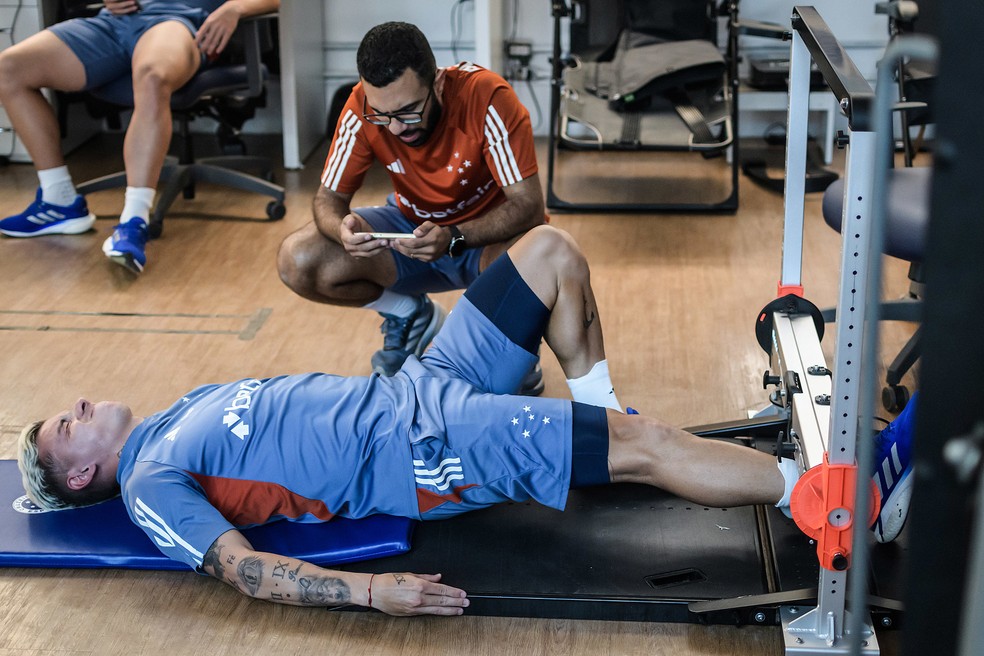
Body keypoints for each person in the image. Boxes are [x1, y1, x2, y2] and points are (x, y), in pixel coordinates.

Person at [16, 226, 915, 617]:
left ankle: (601, 429)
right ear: (85, 474)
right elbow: (244, 573)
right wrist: (374, 595)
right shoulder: (148, 486)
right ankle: (834, 501)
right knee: (647, 449)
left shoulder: (173, 413)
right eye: (68, 426)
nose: (82, 406)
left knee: (553, 253)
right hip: (421, 448)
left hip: (421, 382)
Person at [276, 21, 550, 389]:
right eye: (381, 115)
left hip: (487, 237)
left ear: (437, 84)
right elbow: (329, 199)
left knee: (537, 256)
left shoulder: (485, 97)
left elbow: (529, 206)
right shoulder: (361, 107)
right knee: (298, 259)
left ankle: (513, 346)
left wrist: (454, 236)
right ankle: (411, 315)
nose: (394, 129)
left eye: (407, 111)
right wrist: (341, 230)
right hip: (411, 231)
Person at [0, 0, 280, 274]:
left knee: (152, 75)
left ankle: (134, 221)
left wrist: (236, 7)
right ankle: (58, 199)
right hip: (112, 23)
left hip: (177, 23)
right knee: (8, 68)